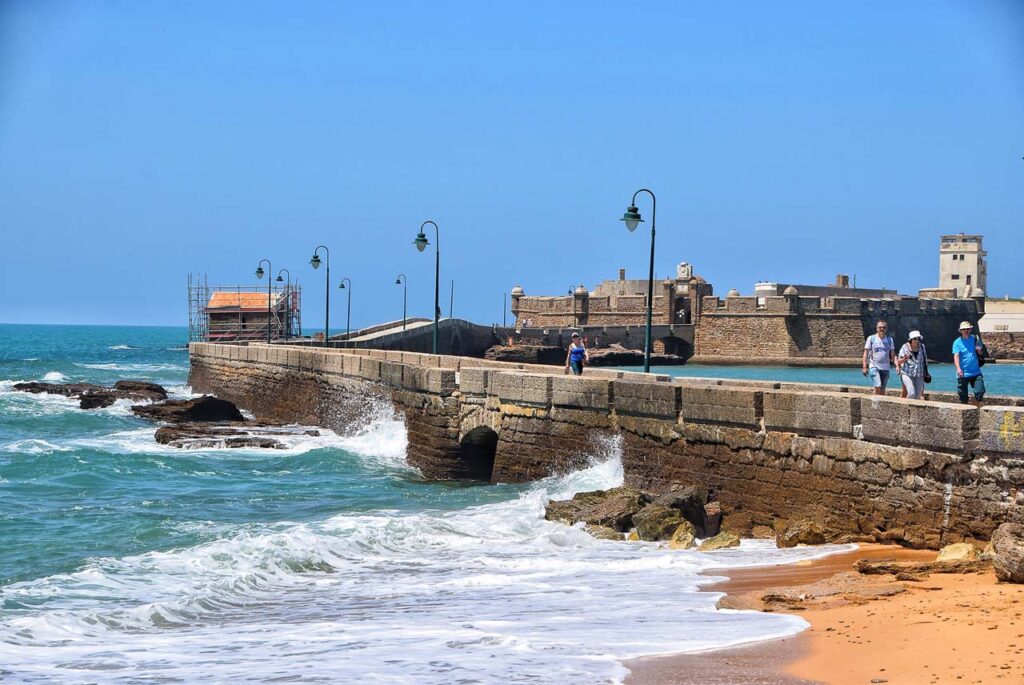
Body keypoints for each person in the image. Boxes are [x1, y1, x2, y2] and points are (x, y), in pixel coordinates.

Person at [953, 321, 985, 406]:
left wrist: (979, 351)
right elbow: (956, 356)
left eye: (967, 329)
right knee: (963, 396)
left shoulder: (975, 339)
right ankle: (965, 410)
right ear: (961, 331)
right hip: (963, 373)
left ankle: (975, 406)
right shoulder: (957, 342)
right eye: (964, 329)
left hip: (976, 372)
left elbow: (981, 354)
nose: (966, 331)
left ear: (970, 330)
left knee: (980, 391)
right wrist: (958, 369)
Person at [862, 321, 896, 395]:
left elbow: (893, 355)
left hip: (886, 368)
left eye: (884, 327)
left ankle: (880, 405)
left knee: (882, 390)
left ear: (886, 329)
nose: (882, 329)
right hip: (874, 366)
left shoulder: (890, 340)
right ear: (877, 328)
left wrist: (897, 366)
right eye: (880, 327)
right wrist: (864, 367)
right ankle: (874, 405)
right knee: (878, 386)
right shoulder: (871, 339)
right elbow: (866, 353)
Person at [896, 330, 928, 400]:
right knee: (911, 393)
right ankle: (906, 409)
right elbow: (898, 361)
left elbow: (925, 360)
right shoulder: (905, 347)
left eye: (918, 338)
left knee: (918, 396)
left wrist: (926, 373)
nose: (917, 340)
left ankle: (912, 410)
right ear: (910, 339)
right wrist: (905, 358)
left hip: (919, 374)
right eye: (915, 339)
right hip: (907, 373)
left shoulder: (922, 347)